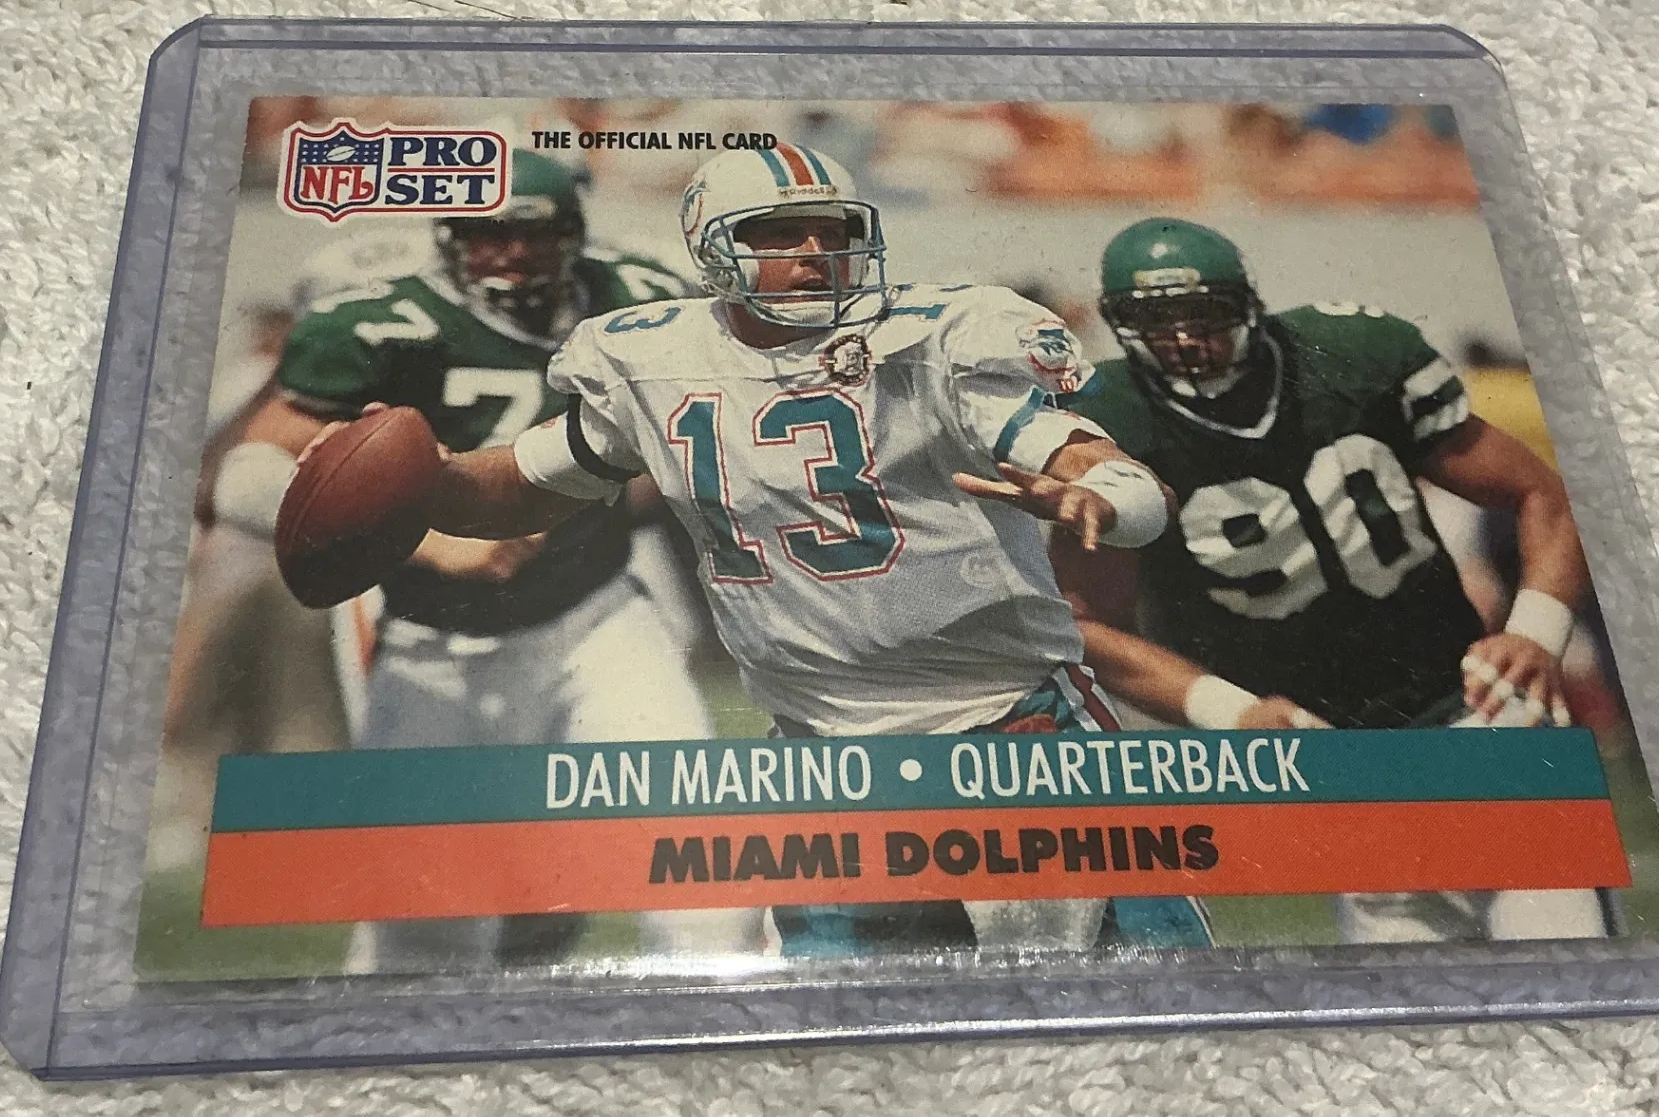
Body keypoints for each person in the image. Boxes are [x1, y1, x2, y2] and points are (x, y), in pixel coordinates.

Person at [312, 145, 1215, 956]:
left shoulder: (934, 338)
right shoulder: (655, 358)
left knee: (1139, 1006)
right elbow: (522, 483)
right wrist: (427, 476)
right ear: (712, 250)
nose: (816, 253)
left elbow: (1103, 469)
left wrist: (1107, 495)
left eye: (833, 231)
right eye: (781, 233)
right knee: (848, 1031)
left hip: (1009, 720)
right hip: (819, 746)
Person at [210, 150, 761, 971]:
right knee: (424, 922)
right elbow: (241, 477)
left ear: (574, 234)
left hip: (594, 616)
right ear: (448, 239)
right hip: (433, 645)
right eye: (487, 235)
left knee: (704, 870)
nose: (512, 254)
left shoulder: (638, 294)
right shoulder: (383, 322)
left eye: (533, 235)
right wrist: (429, 541)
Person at [1060, 217, 1612, 943]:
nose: (1186, 338)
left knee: (1572, 959)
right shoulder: (1110, 421)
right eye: (1158, 320)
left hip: (1472, 703)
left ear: (1248, 302)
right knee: (1414, 991)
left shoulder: (1353, 358)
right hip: (1325, 750)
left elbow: (1542, 492)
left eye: (1205, 312)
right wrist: (1231, 710)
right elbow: (1082, 624)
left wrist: (1535, 632)